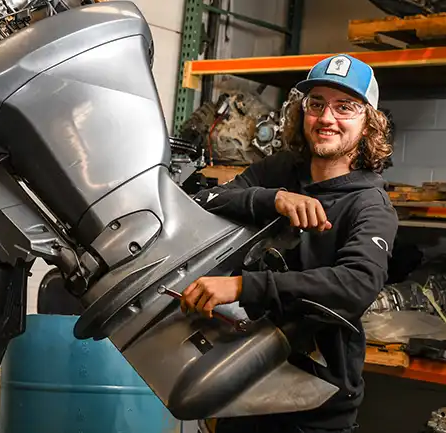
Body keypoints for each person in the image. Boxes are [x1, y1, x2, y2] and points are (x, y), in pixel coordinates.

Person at [181, 54, 399, 433]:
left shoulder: (370, 205)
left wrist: (243, 287)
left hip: (313, 403)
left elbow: (356, 284)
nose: (326, 118)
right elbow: (204, 203)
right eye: (316, 104)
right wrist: (273, 198)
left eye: (344, 107)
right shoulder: (280, 170)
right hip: (243, 381)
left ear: (369, 124)